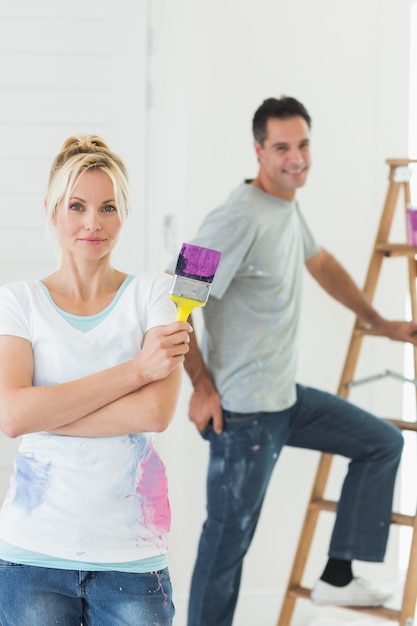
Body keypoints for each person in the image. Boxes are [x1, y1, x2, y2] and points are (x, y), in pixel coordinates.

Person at [166, 96, 417, 626]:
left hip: (284, 398)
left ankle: (338, 577)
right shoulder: (235, 217)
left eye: (303, 145)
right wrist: (202, 387)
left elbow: (319, 262)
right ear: (258, 150)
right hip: (242, 416)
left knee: (382, 443)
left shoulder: (284, 205)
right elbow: (175, 298)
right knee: (225, 551)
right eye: (282, 147)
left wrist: (381, 322)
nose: (296, 158)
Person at [0, 134, 192, 626]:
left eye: (108, 207)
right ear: (51, 209)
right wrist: (136, 371)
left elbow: (154, 413)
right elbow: (13, 415)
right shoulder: (17, 302)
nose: (92, 223)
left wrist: (47, 410)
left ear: (124, 213)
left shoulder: (158, 293)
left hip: (131, 558)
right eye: (77, 205)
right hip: (31, 556)